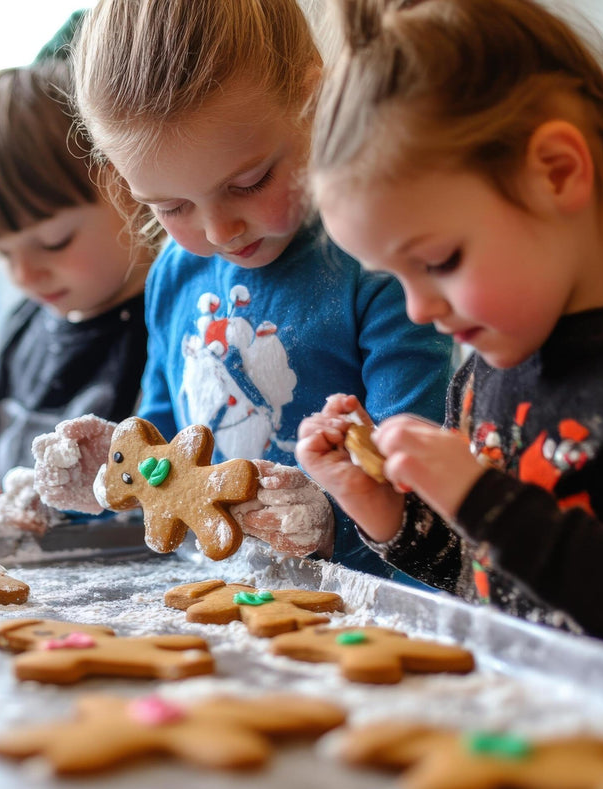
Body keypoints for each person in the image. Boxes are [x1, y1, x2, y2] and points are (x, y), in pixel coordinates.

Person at [296, 0, 603, 676]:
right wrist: (385, 514)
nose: (419, 308)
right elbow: (485, 581)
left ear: (555, 171)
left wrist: (475, 493)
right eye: (394, 277)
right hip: (509, 721)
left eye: (436, 262)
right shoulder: (484, 369)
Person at [34, 0, 453, 575]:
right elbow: (162, 452)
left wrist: (326, 520)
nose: (218, 230)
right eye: (171, 206)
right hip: (217, 595)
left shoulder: (377, 264)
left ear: (316, 103)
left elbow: (423, 498)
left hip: (364, 610)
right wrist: (104, 477)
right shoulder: (174, 274)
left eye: (250, 182)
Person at [0, 54, 156, 523]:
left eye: (52, 242)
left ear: (126, 182)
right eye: (3, 254)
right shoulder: (23, 324)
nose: (24, 274)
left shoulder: (163, 327)